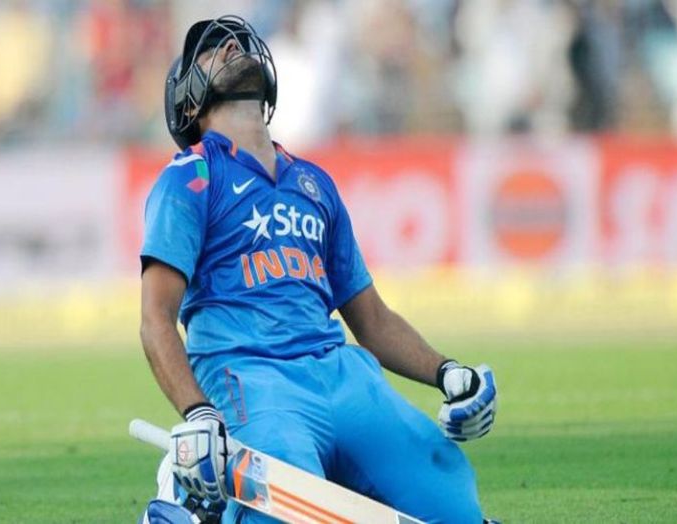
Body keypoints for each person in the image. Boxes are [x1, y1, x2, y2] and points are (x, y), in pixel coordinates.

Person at [139, 15, 498, 524]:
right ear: (188, 102)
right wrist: (198, 414)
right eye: (212, 50)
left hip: (343, 377)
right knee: (286, 512)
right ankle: (189, 496)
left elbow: (372, 319)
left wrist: (448, 371)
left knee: (455, 509)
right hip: (251, 380)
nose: (233, 47)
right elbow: (155, 318)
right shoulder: (190, 177)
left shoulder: (314, 182)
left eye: (236, 45)